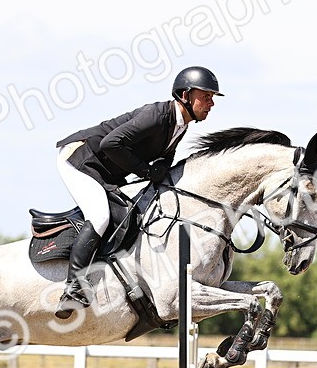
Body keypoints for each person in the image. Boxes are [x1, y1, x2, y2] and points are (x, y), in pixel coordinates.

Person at [52, 65, 222, 319]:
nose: (210, 103)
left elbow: (166, 155)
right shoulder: (155, 116)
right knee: (100, 217)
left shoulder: (180, 125)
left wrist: (162, 167)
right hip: (79, 159)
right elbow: (111, 143)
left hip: (106, 168)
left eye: (212, 98)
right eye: (206, 96)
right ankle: (73, 288)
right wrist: (144, 170)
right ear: (185, 95)